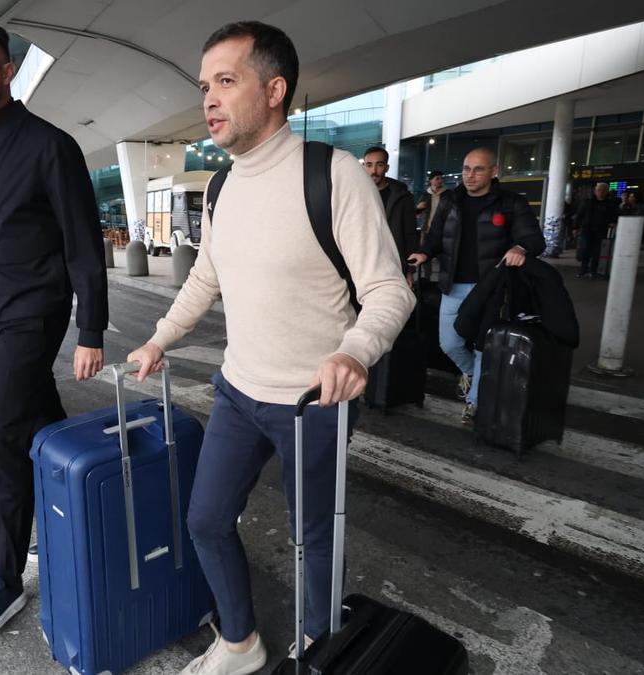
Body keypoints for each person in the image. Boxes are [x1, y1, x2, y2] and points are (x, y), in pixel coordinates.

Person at [126, 21, 414, 675]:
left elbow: (389, 290)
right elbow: (208, 275)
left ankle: (318, 648)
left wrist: (354, 351)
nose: (210, 99)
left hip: (312, 400)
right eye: (205, 86)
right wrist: (159, 339)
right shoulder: (221, 185)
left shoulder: (333, 175)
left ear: (275, 89)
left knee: (313, 540)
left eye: (226, 81)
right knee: (204, 519)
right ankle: (240, 641)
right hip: (238, 390)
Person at [0, 17, 108, 645]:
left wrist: (90, 328)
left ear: (7, 70)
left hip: (34, 318)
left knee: (2, 443)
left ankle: (5, 579)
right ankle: (83, 520)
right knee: (43, 429)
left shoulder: (49, 145)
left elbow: (82, 244)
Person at [406, 148, 545, 424]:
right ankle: (470, 372)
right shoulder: (450, 200)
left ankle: (474, 403)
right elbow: (435, 237)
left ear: (494, 172)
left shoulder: (510, 203)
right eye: (467, 169)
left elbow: (534, 239)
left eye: (478, 169)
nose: (470, 176)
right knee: (449, 342)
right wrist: (425, 253)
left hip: (490, 288)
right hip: (452, 284)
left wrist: (520, 246)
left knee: (483, 345)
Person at [361, 146, 418, 283]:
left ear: (386, 168)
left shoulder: (403, 197)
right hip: (363, 263)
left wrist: (409, 271)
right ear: (363, 167)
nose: (374, 171)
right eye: (369, 165)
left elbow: (410, 235)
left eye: (379, 165)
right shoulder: (356, 194)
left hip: (393, 264)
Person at [574, 182, 619, 278]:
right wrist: (575, 227)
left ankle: (593, 270)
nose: (600, 192)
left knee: (597, 251)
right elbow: (579, 215)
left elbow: (614, 217)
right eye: (598, 190)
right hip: (587, 230)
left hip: (601, 231)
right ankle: (583, 269)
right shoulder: (588, 202)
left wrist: (613, 223)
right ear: (595, 191)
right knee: (585, 250)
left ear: (606, 192)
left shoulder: (610, 204)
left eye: (603, 190)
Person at [416, 170, 447, 246]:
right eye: (437, 178)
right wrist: (418, 207)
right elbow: (417, 211)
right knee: (423, 248)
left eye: (441, 178)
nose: (440, 181)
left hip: (441, 228)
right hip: (426, 228)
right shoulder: (426, 195)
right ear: (431, 181)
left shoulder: (447, 194)